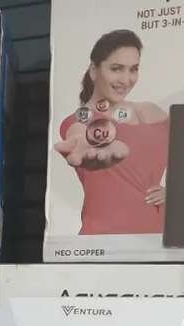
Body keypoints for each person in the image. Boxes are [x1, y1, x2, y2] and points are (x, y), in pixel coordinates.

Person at [54, 30, 169, 235]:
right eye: (116, 69)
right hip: (104, 240)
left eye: (133, 69)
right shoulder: (79, 120)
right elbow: (78, 136)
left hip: (159, 238)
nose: (126, 79)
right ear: (94, 71)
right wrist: (88, 147)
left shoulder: (152, 112)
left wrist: (176, 190)